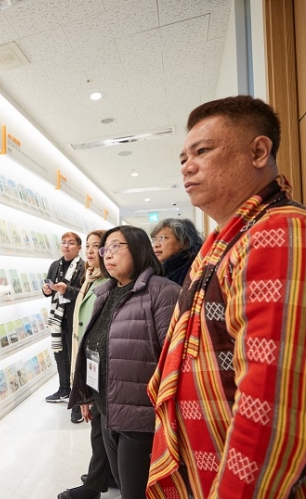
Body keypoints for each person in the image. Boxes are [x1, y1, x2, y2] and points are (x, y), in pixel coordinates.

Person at [147, 96, 306, 499]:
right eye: (183, 156)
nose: (187, 165)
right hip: (206, 468)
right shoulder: (225, 240)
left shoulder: (279, 232)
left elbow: (269, 407)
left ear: (258, 151)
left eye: (202, 151)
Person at [69, 226, 180, 499]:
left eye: (117, 246)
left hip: (141, 417)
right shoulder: (106, 292)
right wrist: (88, 395)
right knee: (123, 483)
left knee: (135, 492)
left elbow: (174, 358)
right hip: (108, 410)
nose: (107, 254)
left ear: (140, 248)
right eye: (105, 248)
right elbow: (96, 347)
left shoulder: (162, 292)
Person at [58, 230, 114, 499]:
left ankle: (95, 483)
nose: (91, 252)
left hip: (98, 363)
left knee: (100, 425)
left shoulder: (108, 283)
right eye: (89, 246)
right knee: (99, 425)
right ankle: (104, 475)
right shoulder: (91, 279)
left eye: (97, 246)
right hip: (88, 359)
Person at [42, 232, 85, 424]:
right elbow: (48, 286)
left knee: (75, 359)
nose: (66, 246)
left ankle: (77, 401)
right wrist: (46, 290)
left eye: (71, 243)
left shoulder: (83, 267)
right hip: (58, 319)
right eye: (64, 243)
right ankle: (63, 389)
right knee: (60, 355)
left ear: (78, 247)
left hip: (75, 319)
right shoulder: (55, 265)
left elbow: (85, 294)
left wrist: (67, 290)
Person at [149, 218, 203, 285]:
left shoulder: (192, 270)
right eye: (154, 240)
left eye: (162, 238)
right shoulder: (160, 270)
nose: (156, 245)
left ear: (184, 242)